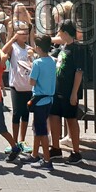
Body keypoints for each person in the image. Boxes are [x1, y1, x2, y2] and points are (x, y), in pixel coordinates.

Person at [49, 19, 84, 164]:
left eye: (60, 31)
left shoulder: (77, 49)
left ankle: (76, 152)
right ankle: (56, 148)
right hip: (57, 89)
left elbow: (79, 72)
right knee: (54, 116)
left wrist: (74, 92)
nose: (58, 34)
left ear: (65, 32)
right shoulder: (63, 47)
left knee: (71, 119)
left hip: (69, 90)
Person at [2, 23, 33, 153]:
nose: (25, 35)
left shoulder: (29, 48)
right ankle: (13, 142)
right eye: (22, 33)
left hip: (28, 86)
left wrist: (32, 56)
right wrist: (13, 38)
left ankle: (22, 140)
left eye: (26, 33)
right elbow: (2, 52)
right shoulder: (13, 47)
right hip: (15, 85)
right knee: (16, 113)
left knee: (26, 113)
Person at [27, 34, 56, 171]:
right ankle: (34, 154)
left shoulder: (38, 63)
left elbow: (32, 81)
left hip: (39, 100)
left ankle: (47, 160)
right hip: (49, 99)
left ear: (38, 48)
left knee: (41, 130)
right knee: (37, 128)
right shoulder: (51, 61)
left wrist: (30, 69)